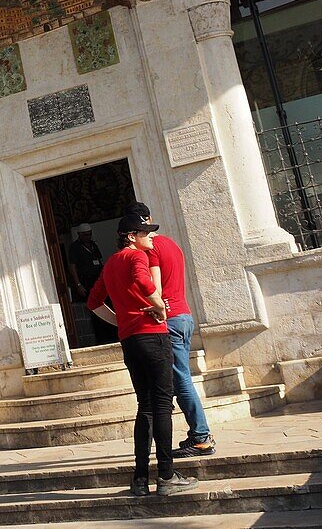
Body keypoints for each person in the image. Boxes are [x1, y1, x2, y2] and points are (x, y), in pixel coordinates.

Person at [87, 214, 197, 497]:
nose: (151, 236)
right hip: (152, 336)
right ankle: (166, 476)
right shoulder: (136, 257)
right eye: (145, 232)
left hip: (130, 340)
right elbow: (141, 280)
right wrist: (159, 305)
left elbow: (93, 302)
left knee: (145, 405)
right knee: (162, 405)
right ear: (131, 236)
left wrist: (122, 320)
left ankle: (139, 479)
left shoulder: (111, 263)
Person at [125, 202, 216, 458]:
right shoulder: (171, 244)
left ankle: (201, 437)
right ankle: (196, 434)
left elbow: (155, 288)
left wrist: (149, 309)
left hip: (170, 317)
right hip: (185, 315)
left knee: (180, 379)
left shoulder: (151, 249)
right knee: (180, 377)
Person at [67, 223, 117, 344]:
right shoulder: (75, 248)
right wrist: (78, 284)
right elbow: (72, 267)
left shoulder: (94, 245)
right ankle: (102, 338)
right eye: (84, 235)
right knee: (95, 309)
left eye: (89, 234)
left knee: (108, 305)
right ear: (79, 235)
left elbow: (100, 261)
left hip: (99, 280)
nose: (87, 237)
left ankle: (113, 334)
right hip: (86, 281)